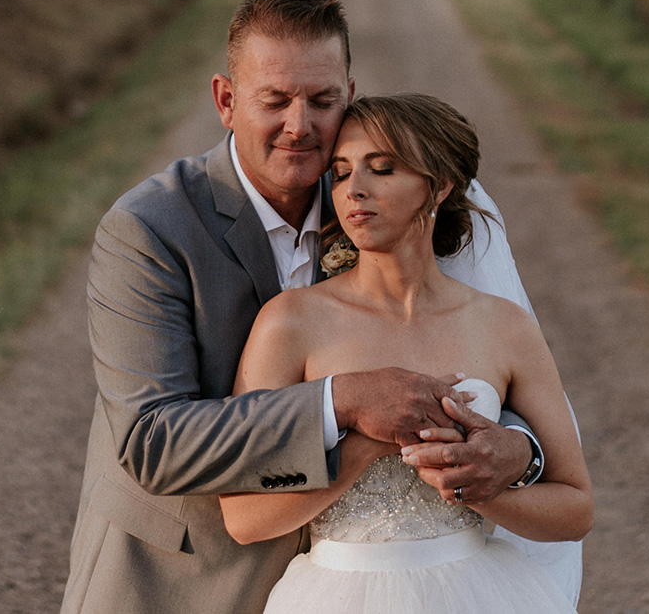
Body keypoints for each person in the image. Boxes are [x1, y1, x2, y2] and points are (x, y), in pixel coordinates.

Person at [61, 0, 556, 614]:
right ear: (225, 100)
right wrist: (344, 399)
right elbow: (152, 439)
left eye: (321, 101)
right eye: (275, 101)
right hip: (182, 576)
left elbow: (455, 344)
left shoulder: (380, 198)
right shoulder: (148, 229)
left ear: (347, 96)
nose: (300, 126)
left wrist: (522, 448)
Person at [220, 93, 590, 614]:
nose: (355, 191)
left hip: (483, 593)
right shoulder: (290, 322)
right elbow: (243, 519)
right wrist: (368, 444)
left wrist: (479, 486)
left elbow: (576, 508)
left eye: (383, 168)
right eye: (342, 173)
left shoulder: (504, 326)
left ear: (439, 185)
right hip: (337, 595)